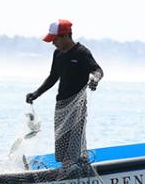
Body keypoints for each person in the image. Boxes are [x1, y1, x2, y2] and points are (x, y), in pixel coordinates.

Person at [25, 19, 103, 167]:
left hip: (77, 105)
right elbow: (53, 77)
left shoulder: (82, 53)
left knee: (75, 142)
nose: (53, 43)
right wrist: (36, 94)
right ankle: (66, 168)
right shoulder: (58, 54)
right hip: (61, 105)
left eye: (55, 39)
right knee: (61, 146)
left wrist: (94, 79)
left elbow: (97, 70)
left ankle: (78, 165)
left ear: (66, 36)